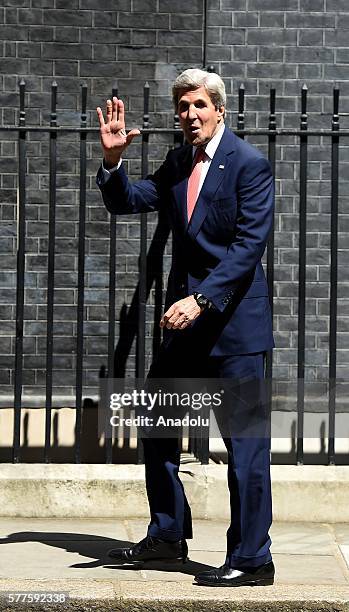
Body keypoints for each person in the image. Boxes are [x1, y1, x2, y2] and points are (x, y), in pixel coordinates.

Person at [96, 68, 275, 587]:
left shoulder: (249, 165)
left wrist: (199, 299)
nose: (189, 115)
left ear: (219, 109)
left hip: (233, 328)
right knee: (155, 426)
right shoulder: (180, 160)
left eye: (198, 105)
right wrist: (113, 162)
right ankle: (169, 533)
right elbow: (133, 199)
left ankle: (252, 557)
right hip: (185, 331)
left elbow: (248, 248)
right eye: (182, 107)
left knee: (245, 449)